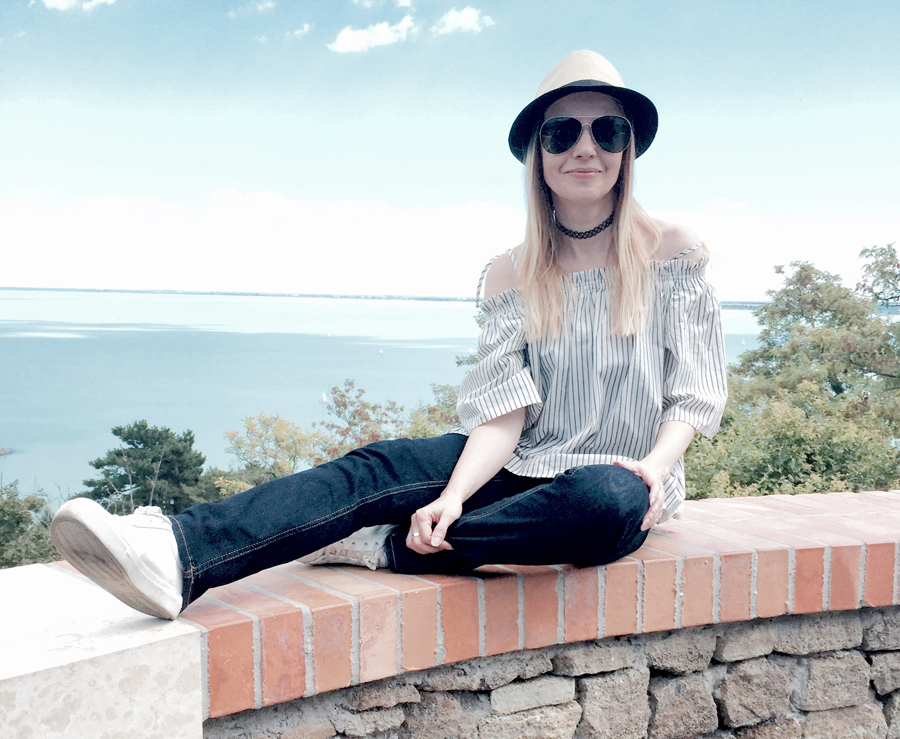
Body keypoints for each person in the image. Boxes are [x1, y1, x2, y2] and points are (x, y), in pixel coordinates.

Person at [51, 50, 727, 621]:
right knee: (378, 468)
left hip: (623, 478)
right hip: (518, 462)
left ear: (627, 148)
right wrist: (455, 494)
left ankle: (388, 548)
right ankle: (178, 551)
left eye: (607, 131)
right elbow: (505, 417)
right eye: (563, 133)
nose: (586, 147)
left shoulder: (671, 251)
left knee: (604, 500)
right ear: (538, 155)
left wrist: (655, 468)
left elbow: (695, 393)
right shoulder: (510, 273)